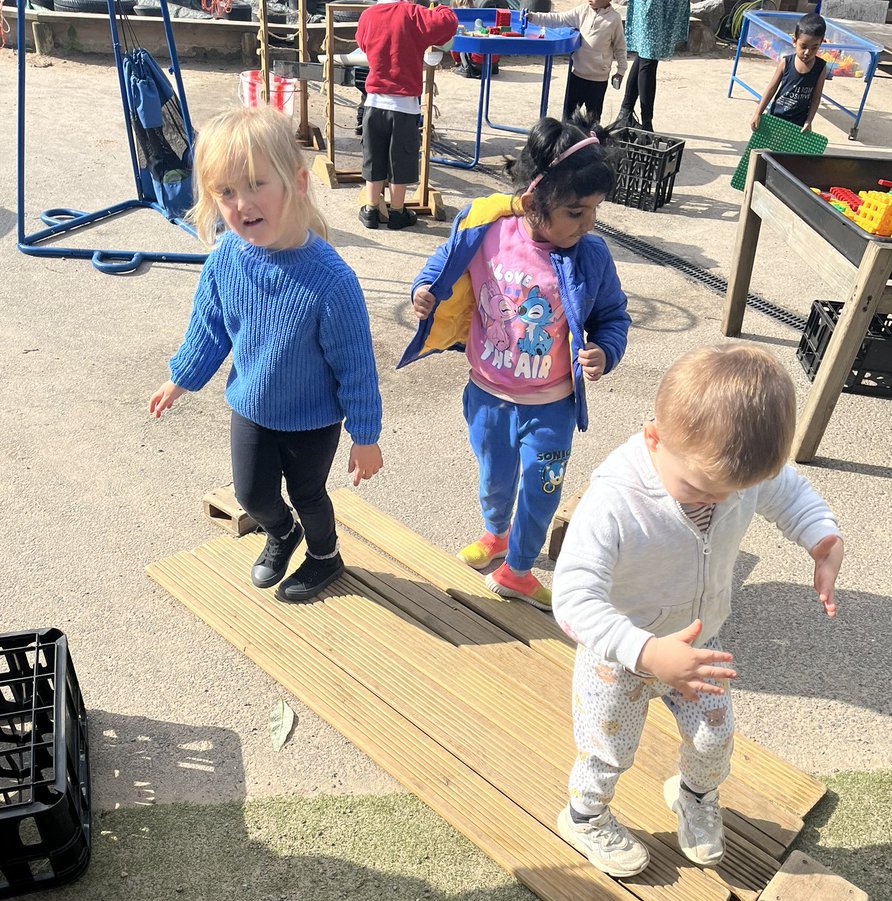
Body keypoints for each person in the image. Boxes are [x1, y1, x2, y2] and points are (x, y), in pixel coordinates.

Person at [552, 344, 843, 878]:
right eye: (700, 489)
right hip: (618, 656)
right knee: (606, 748)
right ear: (653, 437)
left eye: (735, 492)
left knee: (714, 737)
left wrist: (821, 538)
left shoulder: (735, 472)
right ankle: (584, 814)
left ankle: (693, 796)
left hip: (699, 647)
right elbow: (572, 596)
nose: (716, 502)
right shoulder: (616, 498)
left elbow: (790, 494)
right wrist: (645, 650)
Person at [149, 106, 383, 603]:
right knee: (251, 495)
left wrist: (365, 436)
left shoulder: (331, 281)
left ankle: (325, 557)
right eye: (226, 192)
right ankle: (282, 534)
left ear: (297, 182)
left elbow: (356, 368)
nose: (241, 204)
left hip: (313, 419)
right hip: (252, 407)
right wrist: (180, 378)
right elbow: (209, 329)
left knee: (308, 494)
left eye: (256, 184)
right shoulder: (226, 260)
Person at [399, 116, 630, 611]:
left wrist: (605, 350)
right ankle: (495, 535)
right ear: (532, 200)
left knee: (543, 489)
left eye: (594, 210)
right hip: (486, 394)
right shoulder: (489, 230)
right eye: (575, 212)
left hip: (552, 404)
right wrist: (423, 289)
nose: (587, 223)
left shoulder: (590, 255)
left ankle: (519, 570)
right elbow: (444, 257)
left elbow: (613, 315)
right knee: (494, 475)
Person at [356, 0, 459, 230]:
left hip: (374, 103)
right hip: (405, 107)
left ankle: (371, 209)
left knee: (373, 156)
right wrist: (440, 7)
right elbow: (448, 23)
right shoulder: (415, 14)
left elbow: (362, 43)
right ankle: (397, 212)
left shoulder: (368, 15)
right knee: (399, 160)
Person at [526, 0, 627, 126]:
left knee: (593, 120)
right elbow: (559, 19)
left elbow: (620, 47)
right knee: (569, 117)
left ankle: (590, 143)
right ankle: (568, 144)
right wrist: (534, 17)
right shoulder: (582, 11)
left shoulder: (614, 19)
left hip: (598, 81)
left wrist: (621, 71)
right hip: (577, 76)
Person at [612, 0, 690, 132]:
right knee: (649, 59)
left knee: (646, 56)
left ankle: (625, 114)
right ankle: (646, 124)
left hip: (662, 5)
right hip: (654, 5)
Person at [751, 13, 827, 134]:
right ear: (794, 41)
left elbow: (816, 98)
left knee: (790, 153)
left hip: (799, 123)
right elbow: (771, 89)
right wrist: (758, 113)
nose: (807, 52)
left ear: (821, 43)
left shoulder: (821, 67)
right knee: (766, 151)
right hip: (776, 117)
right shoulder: (785, 63)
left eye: (814, 47)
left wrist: (809, 121)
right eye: (803, 46)